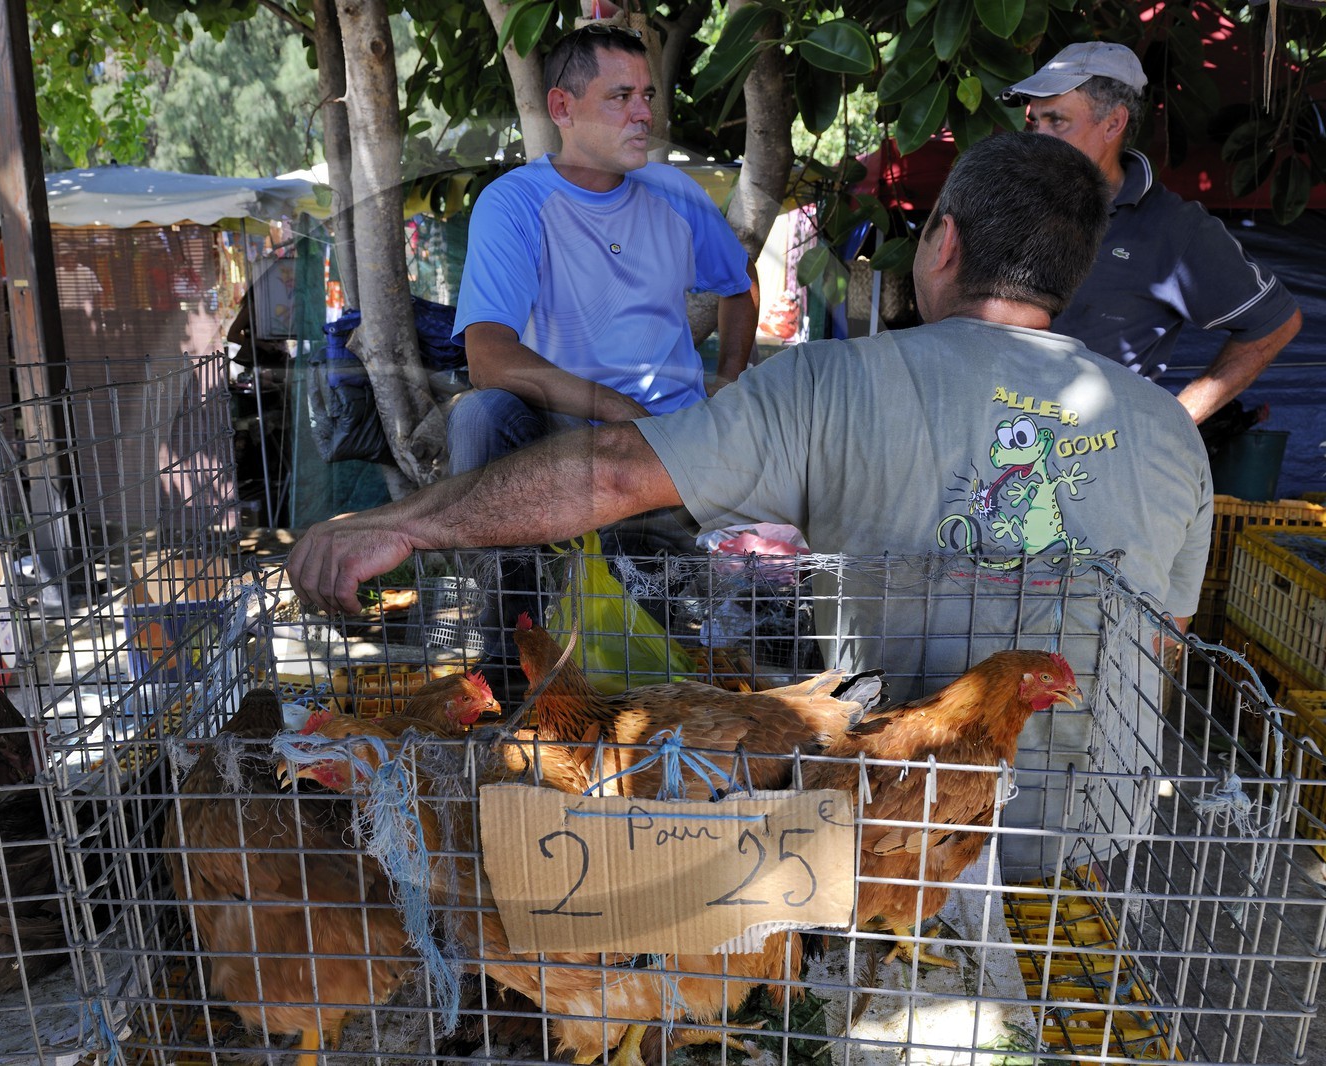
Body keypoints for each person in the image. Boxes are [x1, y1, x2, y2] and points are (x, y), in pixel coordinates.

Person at [290, 133, 1214, 875]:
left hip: (887, 838)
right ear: (1071, 274)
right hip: (1085, 840)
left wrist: (401, 522)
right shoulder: (1172, 431)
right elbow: (1162, 638)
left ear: (945, 242)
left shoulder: (835, 384)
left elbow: (611, 474)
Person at [446, 22, 758, 474]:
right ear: (562, 108)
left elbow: (740, 279)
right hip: (566, 437)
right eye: (620, 97)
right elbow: (488, 359)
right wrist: (615, 408)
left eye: (647, 96)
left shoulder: (675, 193)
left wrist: (728, 381)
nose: (644, 114)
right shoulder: (514, 203)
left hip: (673, 439)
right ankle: (483, 547)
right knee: (478, 415)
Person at [1003, 41, 1302, 425]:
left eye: (1056, 121)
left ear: (1113, 123)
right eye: (1034, 121)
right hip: (992, 447)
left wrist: (1173, 422)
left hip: (1097, 460)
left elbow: (1276, 321)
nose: (1038, 137)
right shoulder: (1002, 202)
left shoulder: (1172, 227)